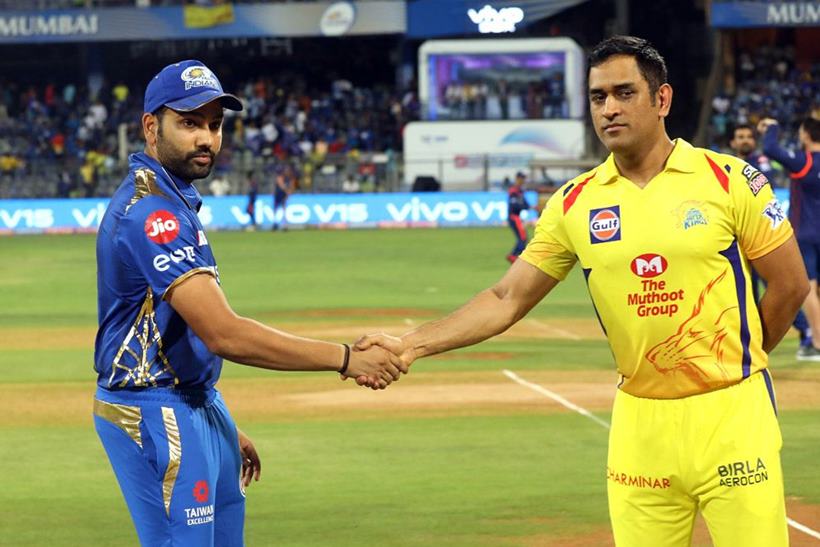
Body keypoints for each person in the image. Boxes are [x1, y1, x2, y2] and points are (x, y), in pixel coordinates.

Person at [357, 36, 808, 546]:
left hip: (732, 414)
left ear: (662, 99)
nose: (609, 108)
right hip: (639, 424)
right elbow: (507, 298)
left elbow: (790, 284)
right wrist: (410, 344)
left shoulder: (729, 180)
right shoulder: (574, 203)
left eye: (624, 93)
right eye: (598, 97)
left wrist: (740, 360)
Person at [93, 60, 402, 547]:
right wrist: (346, 358)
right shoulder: (152, 213)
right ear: (151, 127)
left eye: (215, 125)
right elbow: (224, 334)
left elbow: (179, 333)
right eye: (189, 123)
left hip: (194, 403)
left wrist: (219, 424)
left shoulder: (174, 200)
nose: (206, 139)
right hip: (154, 409)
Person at [728, 123, 812, 353]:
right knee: (746, 292)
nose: (745, 140)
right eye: (740, 136)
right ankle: (747, 339)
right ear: (733, 142)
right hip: (737, 241)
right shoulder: (725, 167)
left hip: (763, 236)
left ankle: (807, 331)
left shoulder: (762, 163)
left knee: (781, 286)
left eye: (748, 136)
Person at [759, 116, 820, 361]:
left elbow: (771, 148)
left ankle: (817, 342)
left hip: (806, 232)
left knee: (808, 287)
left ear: (806, 134)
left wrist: (772, 126)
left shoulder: (804, 161)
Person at [506, 171, 532, 263]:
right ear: (517, 179)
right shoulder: (513, 190)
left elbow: (524, 203)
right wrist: (525, 206)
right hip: (514, 217)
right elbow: (514, 205)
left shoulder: (520, 190)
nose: (523, 180)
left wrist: (529, 207)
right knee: (523, 238)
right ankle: (514, 255)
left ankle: (516, 256)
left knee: (523, 238)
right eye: (522, 178)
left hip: (516, 217)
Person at [272, 163, 296, 231]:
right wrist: (287, 191)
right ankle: (275, 223)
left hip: (283, 195)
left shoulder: (290, 179)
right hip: (278, 195)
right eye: (286, 170)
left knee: (284, 210)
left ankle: (284, 225)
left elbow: (292, 187)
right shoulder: (280, 177)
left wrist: (289, 193)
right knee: (276, 209)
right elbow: (281, 186)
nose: (287, 172)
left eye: (288, 170)